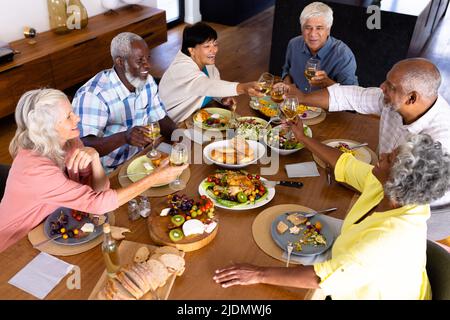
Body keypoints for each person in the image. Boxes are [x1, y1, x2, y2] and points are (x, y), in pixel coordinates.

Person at [214, 118, 450, 299]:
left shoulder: (388, 239)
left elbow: (321, 277)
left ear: (397, 180)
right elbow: (345, 164)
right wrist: (302, 137)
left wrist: (257, 274)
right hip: (350, 265)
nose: (384, 153)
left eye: (389, 159)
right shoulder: (392, 192)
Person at [0, 89, 187, 253]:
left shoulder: (70, 141)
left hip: (54, 227)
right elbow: (99, 204)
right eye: (68, 116)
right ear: (48, 129)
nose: (77, 118)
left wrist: (95, 159)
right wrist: (155, 177)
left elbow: (100, 191)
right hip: (15, 246)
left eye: (72, 112)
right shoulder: (34, 170)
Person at [277, 57, 450, 208]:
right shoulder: (395, 100)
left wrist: (351, 176)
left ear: (411, 98)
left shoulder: (438, 144)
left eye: (390, 86)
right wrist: (302, 98)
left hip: (413, 208)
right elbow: (354, 96)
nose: (382, 87)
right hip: (380, 179)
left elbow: (399, 195)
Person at [72, 32, 177, 173]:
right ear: (120, 62)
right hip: (109, 171)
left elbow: (160, 117)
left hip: (142, 158)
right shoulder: (94, 95)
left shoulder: (147, 82)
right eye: (140, 61)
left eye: (148, 58)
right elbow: (84, 145)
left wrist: (183, 138)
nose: (148, 66)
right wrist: (124, 137)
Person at [159, 22, 262, 124]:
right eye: (207, 46)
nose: (214, 50)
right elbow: (207, 85)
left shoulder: (206, 63)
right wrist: (243, 87)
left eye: (215, 44)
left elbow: (213, 84)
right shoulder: (181, 69)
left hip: (197, 114)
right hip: (172, 124)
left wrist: (222, 98)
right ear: (191, 50)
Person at [282, 2, 358, 93]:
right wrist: (287, 86)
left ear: (328, 29)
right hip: (294, 104)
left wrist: (327, 82)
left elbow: (351, 95)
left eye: (319, 28)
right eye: (308, 27)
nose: (312, 34)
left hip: (325, 107)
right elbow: (286, 71)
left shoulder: (343, 55)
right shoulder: (293, 44)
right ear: (302, 29)